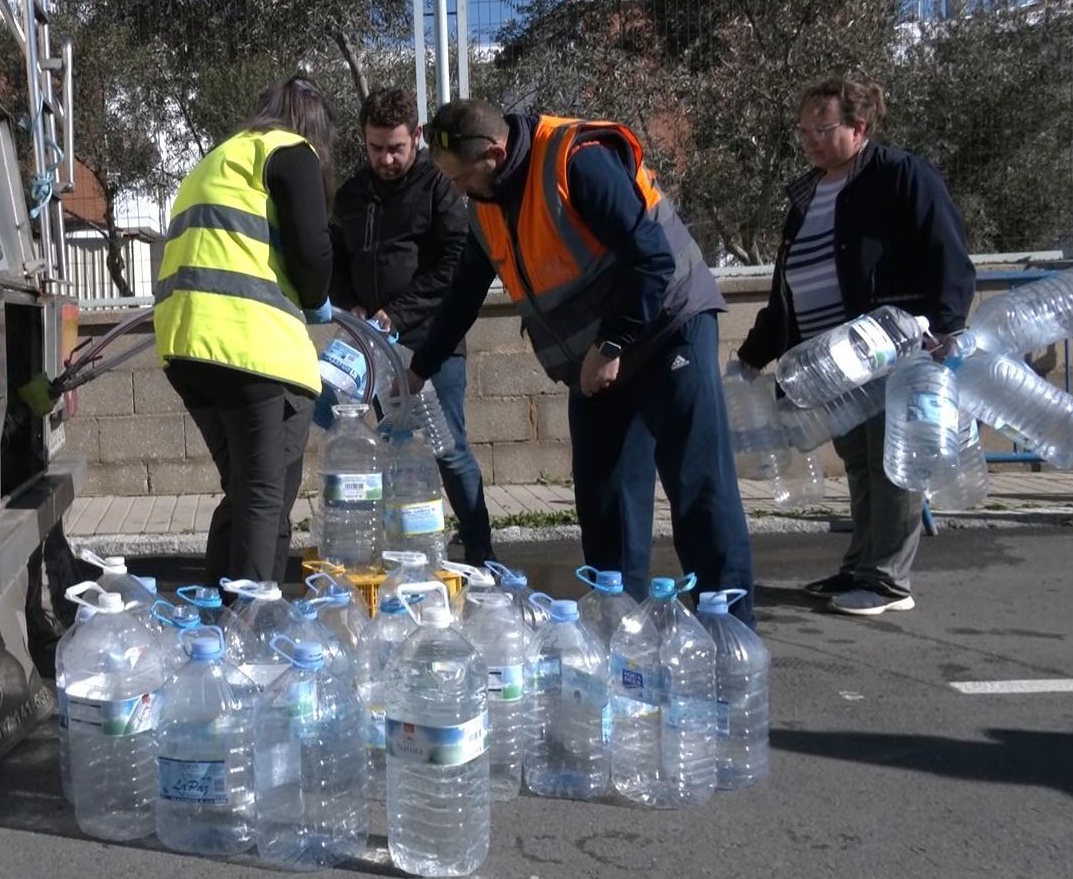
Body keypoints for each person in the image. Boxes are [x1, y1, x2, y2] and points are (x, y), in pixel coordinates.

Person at [406, 98, 757, 627]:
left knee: (697, 488)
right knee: (604, 494)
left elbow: (652, 257)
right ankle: (620, 631)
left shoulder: (576, 161)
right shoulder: (485, 206)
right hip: (597, 358)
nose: (456, 189)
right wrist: (419, 368)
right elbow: (463, 295)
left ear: (496, 155)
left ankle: (730, 630)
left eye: (460, 177)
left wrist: (612, 344)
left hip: (668, 327)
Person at [737, 76, 975, 617]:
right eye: (803, 131)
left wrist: (942, 326)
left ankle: (889, 580)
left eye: (822, 129)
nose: (809, 140)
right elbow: (787, 289)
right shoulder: (806, 197)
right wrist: (755, 352)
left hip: (891, 350)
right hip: (832, 367)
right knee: (862, 464)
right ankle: (861, 566)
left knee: (894, 463)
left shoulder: (900, 176)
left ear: (858, 127)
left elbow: (949, 253)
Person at [153, 74, 336, 584]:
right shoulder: (291, 150)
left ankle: (221, 621)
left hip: (186, 347)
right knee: (263, 497)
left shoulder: (218, 159)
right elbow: (311, 250)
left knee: (246, 493)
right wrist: (318, 297)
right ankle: (253, 634)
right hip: (247, 346)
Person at [328, 87, 494, 566]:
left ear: (416, 137)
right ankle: (409, 548)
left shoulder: (439, 186)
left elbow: (454, 266)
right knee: (396, 449)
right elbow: (336, 262)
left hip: (432, 344)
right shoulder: (353, 194)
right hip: (377, 349)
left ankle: (481, 548)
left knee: (448, 449)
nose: (386, 158)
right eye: (376, 147)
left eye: (396, 147)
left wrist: (398, 313)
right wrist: (353, 306)